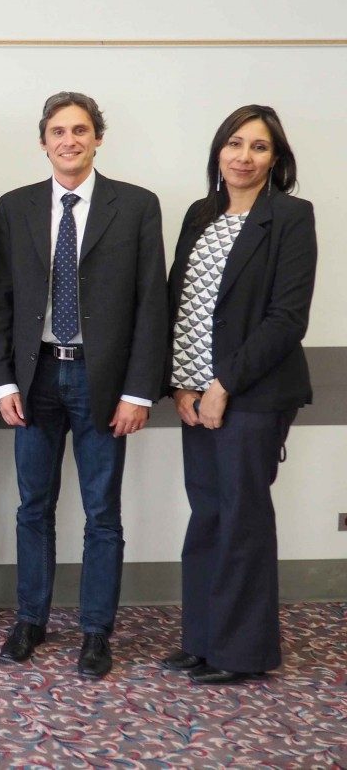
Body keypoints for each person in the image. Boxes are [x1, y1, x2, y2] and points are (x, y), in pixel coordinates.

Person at [0, 91, 168, 678]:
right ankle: (31, 620)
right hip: (35, 375)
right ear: (43, 141)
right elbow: (2, 300)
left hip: (103, 378)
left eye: (81, 130)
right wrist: (2, 381)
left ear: (97, 138)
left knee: (102, 512)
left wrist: (139, 391)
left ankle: (96, 631)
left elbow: (150, 304)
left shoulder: (136, 206)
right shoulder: (14, 208)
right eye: (58, 131)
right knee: (32, 506)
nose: (69, 140)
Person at [159, 105, 316, 685]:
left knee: (242, 520)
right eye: (234, 143)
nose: (243, 156)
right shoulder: (201, 214)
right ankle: (202, 640)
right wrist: (180, 384)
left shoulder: (292, 218)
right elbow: (181, 303)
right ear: (218, 151)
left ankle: (242, 653)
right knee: (207, 516)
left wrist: (224, 385)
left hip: (252, 396)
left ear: (276, 159)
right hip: (195, 395)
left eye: (259, 147)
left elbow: (286, 318)